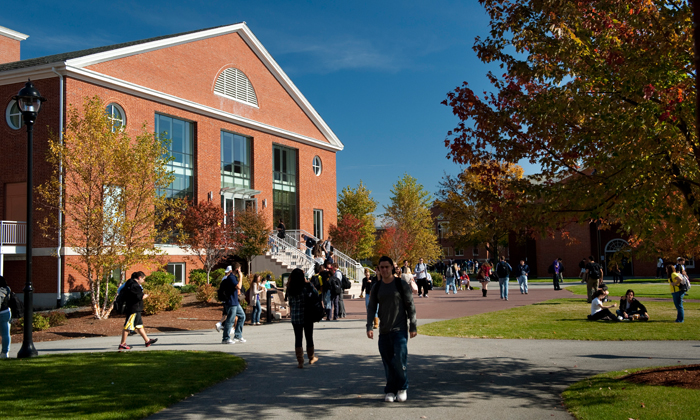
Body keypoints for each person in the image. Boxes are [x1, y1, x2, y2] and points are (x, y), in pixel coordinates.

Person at [366, 256, 417, 403]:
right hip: (384, 330)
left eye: (387, 267)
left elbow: (410, 306)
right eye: (381, 267)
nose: (384, 270)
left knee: (400, 360)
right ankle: (390, 389)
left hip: (399, 329)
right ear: (379, 269)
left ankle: (402, 387)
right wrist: (369, 326)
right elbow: (371, 309)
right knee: (388, 362)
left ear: (392, 268)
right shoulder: (377, 287)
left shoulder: (401, 285)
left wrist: (413, 325)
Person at [285, 268, 320, 368]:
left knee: (298, 338)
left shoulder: (290, 287)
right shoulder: (307, 286)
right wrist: (308, 282)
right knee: (309, 337)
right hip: (307, 315)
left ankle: (300, 361)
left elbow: (290, 302)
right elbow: (316, 293)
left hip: (296, 316)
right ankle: (311, 357)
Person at [118, 271, 158, 350]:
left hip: (135, 309)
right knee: (127, 326)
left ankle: (147, 341)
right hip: (133, 309)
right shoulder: (134, 286)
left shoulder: (129, 283)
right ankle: (122, 344)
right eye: (143, 279)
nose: (143, 281)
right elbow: (139, 297)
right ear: (139, 278)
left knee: (139, 325)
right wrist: (146, 296)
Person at [220, 263, 246, 344]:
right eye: (240, 269)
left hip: (235, 302)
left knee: (242, 316)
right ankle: (226, 338)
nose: (240, 271)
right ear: (237, 269)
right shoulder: (231, 277)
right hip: (231, 302)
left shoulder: (233, 277)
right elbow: (239, 287)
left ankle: (238, 335)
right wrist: (241, 277)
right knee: (230, 320)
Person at [0, 275, 12, 358]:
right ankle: (5, 352)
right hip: (7, 312)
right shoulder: (7, 289)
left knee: (5, 334)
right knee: (6, 334)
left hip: (1, 312)